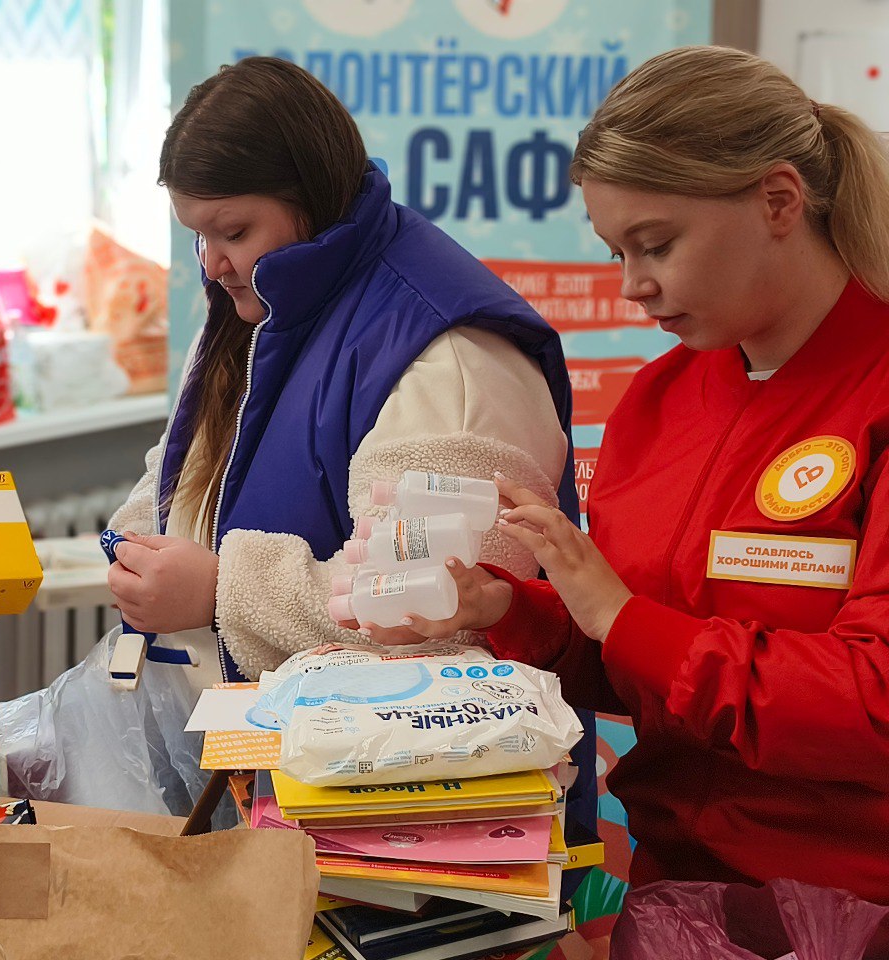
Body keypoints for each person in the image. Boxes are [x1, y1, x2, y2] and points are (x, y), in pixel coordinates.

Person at [391, 45, 889, 905]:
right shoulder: (662, 398)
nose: (633, 287)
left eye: (655, 245)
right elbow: (634, 658)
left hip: (846, 906)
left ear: (778, 200)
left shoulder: (873, 393)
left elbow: (872, 708)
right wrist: (521, 614)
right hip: (680, 893)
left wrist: (621, 616)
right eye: (616, 250)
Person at [103, 56, 596, 830]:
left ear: (312, 197)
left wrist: (218, 589)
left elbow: (445, 614)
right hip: (280, 782)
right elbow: (194, 463)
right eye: (197, 235)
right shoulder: (261, 300)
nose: (212, 262)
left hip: (417, 829)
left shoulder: (450, 357)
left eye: (233, 231)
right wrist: (140, 541)